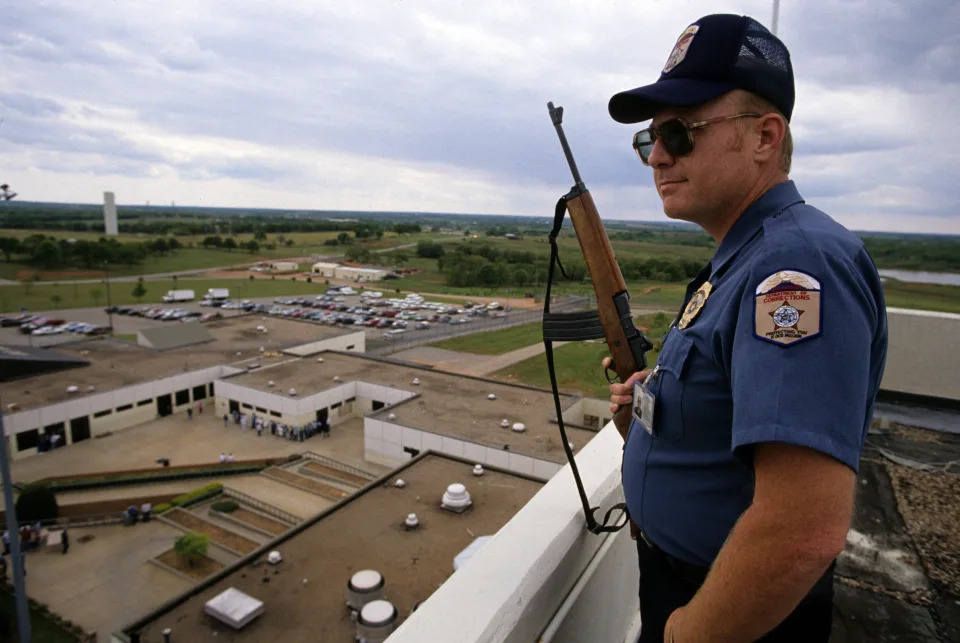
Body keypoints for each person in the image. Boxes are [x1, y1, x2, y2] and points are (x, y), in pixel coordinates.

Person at [603, 14, 888, 642]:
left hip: (732, 613)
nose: (657, 155)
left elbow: (801, 529)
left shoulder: (793, 267)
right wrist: (657, 407)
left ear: (765, 136)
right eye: (648, 138)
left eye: (679, 132)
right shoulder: (746, 255)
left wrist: (686, 636)